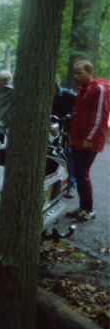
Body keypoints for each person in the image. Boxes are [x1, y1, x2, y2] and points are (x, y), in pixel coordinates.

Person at [65, 60, 110, 223]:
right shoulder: (82, 89)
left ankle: (89, 210)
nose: (76, 76)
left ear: (90, 72)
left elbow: (100, 116)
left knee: (82, 174)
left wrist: (89, 138)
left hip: (89, 141)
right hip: (78, 138)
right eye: (75, 73)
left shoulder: (98, 89)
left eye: (79, 73)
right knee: (77, 172)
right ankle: (83, 206)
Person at [50, 75, 78, 198]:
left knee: (69, 153)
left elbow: (81, 105)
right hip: (61, 125)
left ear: (55, 87)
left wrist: (71, 115)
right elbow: (51, 113)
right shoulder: (48, 97)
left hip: (73, 125)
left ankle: (71, 185)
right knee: (53, 148)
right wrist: (52, 124)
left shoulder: (67, 94)